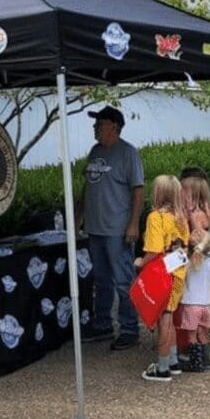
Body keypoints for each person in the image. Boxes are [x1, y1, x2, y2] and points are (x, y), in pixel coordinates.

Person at [77, 105, 145, 350]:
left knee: (123, 281)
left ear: (114, 127)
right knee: (102, 280)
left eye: (100, 123)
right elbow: (87, 186)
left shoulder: (128, 153)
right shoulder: (95, 151)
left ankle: (129, 328)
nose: (95, 127)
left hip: (118, 230)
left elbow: (138, 190)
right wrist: (79, 217)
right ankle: (103, 324)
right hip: (95, 229)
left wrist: (133, 224)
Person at [137, 175, 190, 382]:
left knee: (164, 320)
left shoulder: (155, 218)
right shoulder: (180, 217)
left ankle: (162, 366)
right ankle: (173, 360)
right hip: (178, 271)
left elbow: (154, 249)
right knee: (170, 315)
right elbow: (183, 245)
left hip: (161, 273)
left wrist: (140, 262)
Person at [174, 230, 210, 372]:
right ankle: (206, 362)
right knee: (204, 334)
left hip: (190, 305)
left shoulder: (185, 264)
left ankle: (195, 363)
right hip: (206, 305)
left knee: (192, 336)